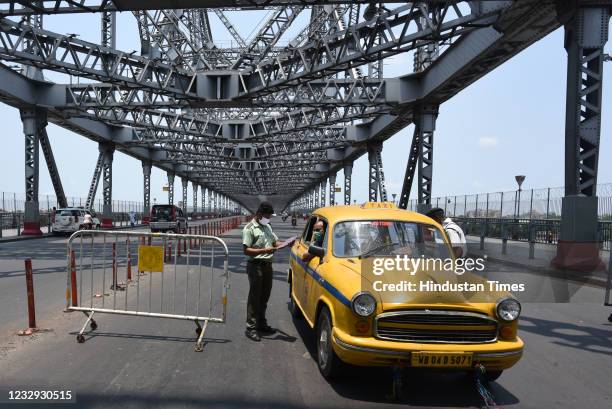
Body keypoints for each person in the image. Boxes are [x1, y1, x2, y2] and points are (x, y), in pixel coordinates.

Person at [242, 201, 279, 342]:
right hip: (255, 266)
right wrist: (264, 250)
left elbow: (275, 243)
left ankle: (261, 323)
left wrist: (288, 243)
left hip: (267, 266)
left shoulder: (268, 227)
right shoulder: (249, 228)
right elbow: (246, 250)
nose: (268, 218)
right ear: (259, 214)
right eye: (267, 215)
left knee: (265, 296)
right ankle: (250, 328)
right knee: (255, 297)